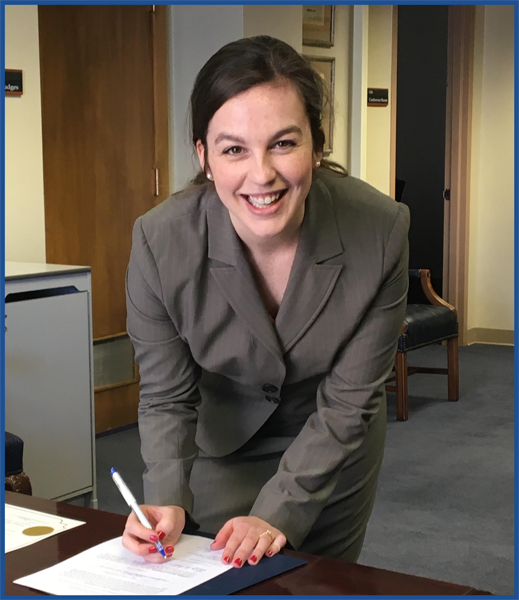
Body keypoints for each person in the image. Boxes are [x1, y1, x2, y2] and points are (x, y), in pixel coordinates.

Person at [122, 35, 409, 568]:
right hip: (223, 438)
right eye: (234, 149)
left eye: (284, 143)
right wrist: (164, 494)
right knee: (209, 575)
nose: (262, 175)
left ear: (317, 147)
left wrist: (281, 511)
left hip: (334, 440)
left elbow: (349, 403)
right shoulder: (159, 243)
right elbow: (165, 394)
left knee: (316, 582)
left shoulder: (381, 232)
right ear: (204, 157)